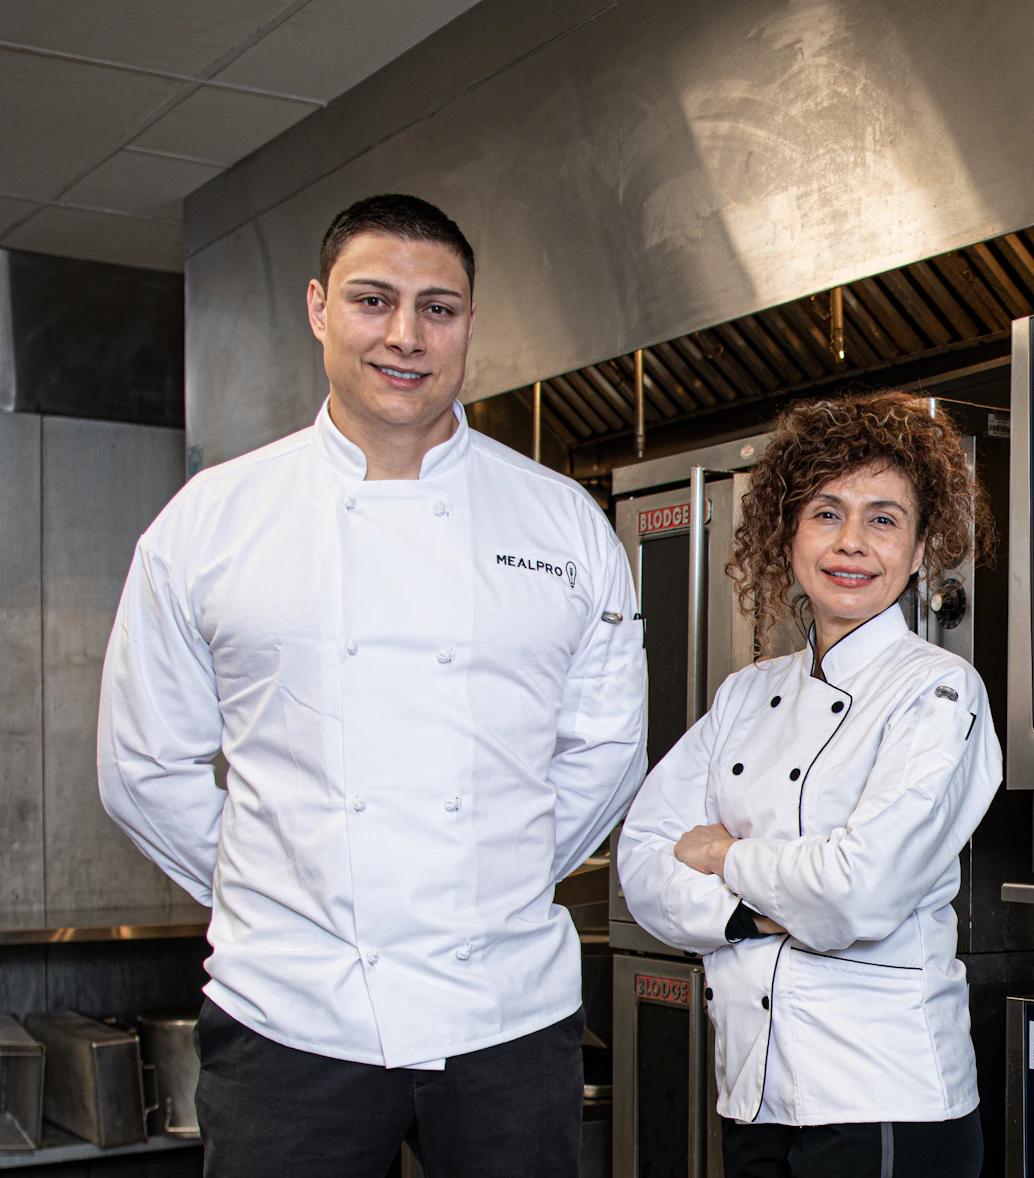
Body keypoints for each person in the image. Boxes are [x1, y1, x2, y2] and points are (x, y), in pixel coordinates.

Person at [97, 194, 647, 1178]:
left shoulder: (563, 525)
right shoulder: (211, 522)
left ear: (470, 323)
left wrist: (491, 873)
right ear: (319, 308)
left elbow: (604, 749)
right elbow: (143, 764)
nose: (405, 334)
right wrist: (286, 885)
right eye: (373, 299)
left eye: (438, 307)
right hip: (287, 1019)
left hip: (506, 1017)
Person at [619, 391, 1000, 1178]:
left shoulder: (938, 692)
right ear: (787, 533)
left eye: (884, 518)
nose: (851, 543)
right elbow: (642, 866)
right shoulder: (744, 696)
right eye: (826, 514)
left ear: (924, 546)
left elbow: (858, 893)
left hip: (882, 1096)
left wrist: (725, 856)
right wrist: (756, 919)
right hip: (753, 1090)